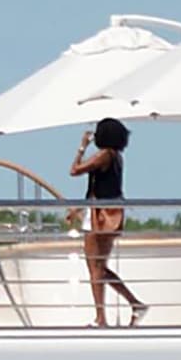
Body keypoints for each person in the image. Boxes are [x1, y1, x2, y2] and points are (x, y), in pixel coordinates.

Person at [69, 118, 147, 327]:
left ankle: (101, 318)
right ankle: (134, 304)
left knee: (95, 267)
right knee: (100, 267)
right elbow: (101, 187)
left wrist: (81, 147)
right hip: (108, 213)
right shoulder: (117, 157)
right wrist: (78, 209)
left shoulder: (104, 155)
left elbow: (74, 170)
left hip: (100, 216)